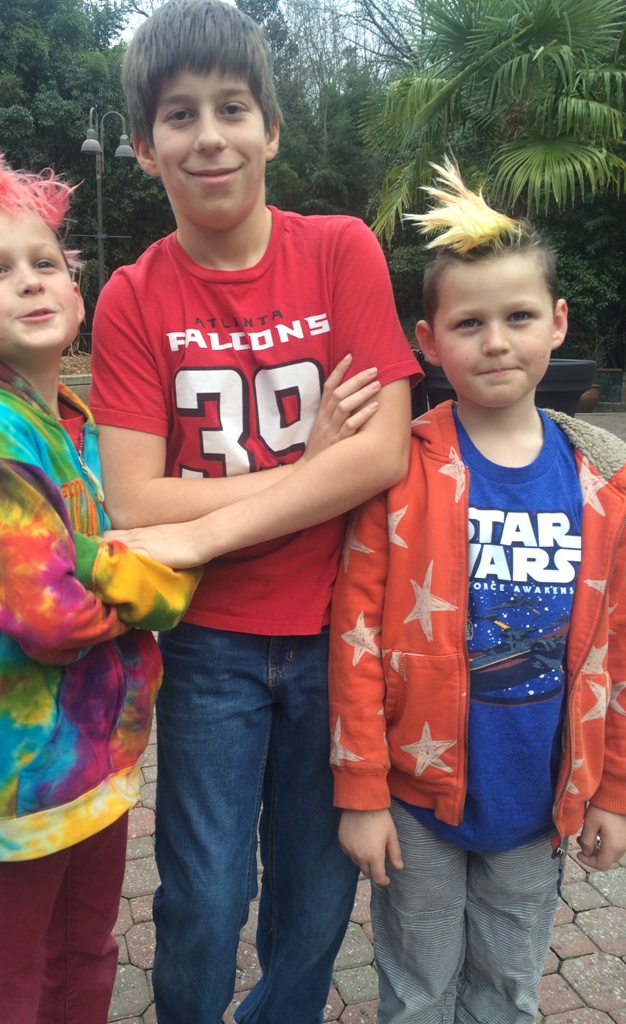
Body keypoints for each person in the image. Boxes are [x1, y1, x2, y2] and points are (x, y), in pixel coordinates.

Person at [86, 2, 422, 1020]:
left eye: (232, 108)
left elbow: (382, 451)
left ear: (271, 130)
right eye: (179, 115)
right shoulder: (134, 297)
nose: (210, 136)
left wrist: (200, 529)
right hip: (209, 644)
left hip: (340, 635)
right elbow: (136, 500)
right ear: (144, 148)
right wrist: (311, 465)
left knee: (315, 902)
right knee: (203, 896)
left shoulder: (341, 252)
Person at [0, 148, 201, 1024]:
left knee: (82, 952)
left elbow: (97, 546)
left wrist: (108, 551)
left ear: (76, 296)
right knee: (1, 981)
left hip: (89, 759)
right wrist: (168, 576)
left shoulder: (72, 420)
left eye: (45, 264)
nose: (29, 281)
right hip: (11, 773)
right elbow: (53, 611)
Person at [328, 156, 626, 1024]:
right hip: (418, 802)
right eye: (469, 322)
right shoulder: (399, 469)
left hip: (539, 802)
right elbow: (354, 636)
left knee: (506, 991)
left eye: (518, 316)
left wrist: (613, 788)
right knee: (418, 991)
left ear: (557, 322)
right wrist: (361, 792)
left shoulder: (603, 486)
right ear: (428, 340)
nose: (495, 341)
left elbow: (616, 651)